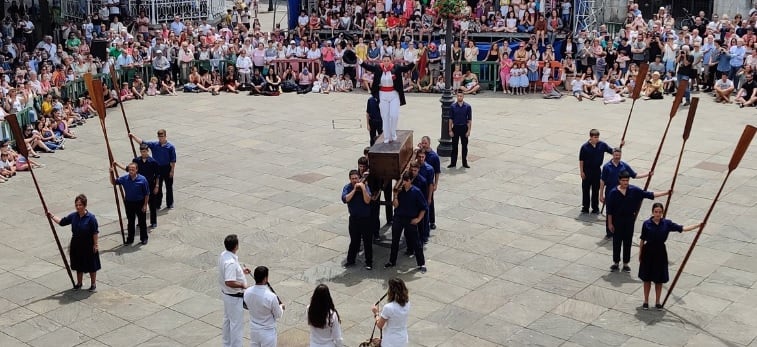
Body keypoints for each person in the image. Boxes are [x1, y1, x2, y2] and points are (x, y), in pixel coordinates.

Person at [638, 203, 701, 310]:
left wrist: (698, 225)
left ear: (662, 212)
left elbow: (682, 228)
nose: (658, 214)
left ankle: (658, 301)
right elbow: (642, 239)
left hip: (660, 253)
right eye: (656, 212)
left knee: (659, 280)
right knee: (647, 278)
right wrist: (640, 254)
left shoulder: (667, 224)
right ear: (652, 212)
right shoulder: (646, 224)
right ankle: (646, 301)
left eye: (660, 212)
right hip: (648, 252)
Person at [606, 171, 671, 273]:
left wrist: (666, 192)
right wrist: (610, 223)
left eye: (627, 180)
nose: (625, 183)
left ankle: (626, 263)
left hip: (629, 220)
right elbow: (609, 210)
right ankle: (616, 262)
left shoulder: (634, 190)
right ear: (619, 181)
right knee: (617, 241)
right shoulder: (613, 192)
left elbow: (649, 194)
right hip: (617, 220)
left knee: (627, 241)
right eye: (623, 181)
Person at [47, 194, 101, 292]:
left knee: (91, 265)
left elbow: (95, 232)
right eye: (76, 205)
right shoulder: (74, 216)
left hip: (88, 244)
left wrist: (95, 244)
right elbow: (62, 222)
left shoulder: (91, 218)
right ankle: (79, 283)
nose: (78, 207)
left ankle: (93, 284)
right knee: (78, 264)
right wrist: (52, 216)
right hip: (76, 244)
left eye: (80, 205)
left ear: (85, 205)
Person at [360, 55, 416, 143]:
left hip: (394, 94)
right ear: (382, 61)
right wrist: (361, 62)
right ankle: (386, 136)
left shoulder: (396, 68)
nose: (386, 62)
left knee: (394, 115)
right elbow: (369, 67)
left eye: (387, 60)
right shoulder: (378, 68)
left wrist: (414, 62)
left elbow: (406, 68)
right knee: (385, 116)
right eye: (384, 60)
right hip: (383, 94)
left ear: (390, 61)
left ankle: (393, 134)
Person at [599, 148, 651, 239]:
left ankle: (617, 230)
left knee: (618, 212)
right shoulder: (606, 166)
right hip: (610, 194)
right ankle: (609, 231)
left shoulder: (624, 166)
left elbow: (634, 175)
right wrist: (601, 194)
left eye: (619, 155)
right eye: (616, 155)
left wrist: (648, 174)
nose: (617, 157)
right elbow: (602, 181)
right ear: (612, 155)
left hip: (622, 193)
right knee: (610, 212)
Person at [386, 172, 427, 273]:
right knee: (395, 241)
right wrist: (395, 195)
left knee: (416, 242)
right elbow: (395, 205)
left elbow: (423, 208)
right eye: (403, 180)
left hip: (410, 219)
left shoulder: (416, 192)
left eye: (406, 180)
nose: (404, 182)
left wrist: (418, 219)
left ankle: (421, 263)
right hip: (399, 218)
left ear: (410, 180)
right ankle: (392, 261)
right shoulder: (400, 191)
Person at [114, 144, 160, 228]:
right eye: (142, 152)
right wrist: (117, 164)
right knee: (140, 205)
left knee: (152, 204)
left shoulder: (153, 162)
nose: (143, 153)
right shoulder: (136, 161)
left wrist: (157, 186)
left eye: (145, 151)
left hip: (150, 184)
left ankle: (153, 221)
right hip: (139, 185)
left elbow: (157, 175)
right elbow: (128, 169)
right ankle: (140, 221)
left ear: (147, 151)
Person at [129, 129, 177, 209]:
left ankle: (170, 203)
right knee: (158, 187)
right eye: (159, 136)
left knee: (169, 187)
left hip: (167, 168)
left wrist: (172, 170)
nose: (160, 138)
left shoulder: (170, 147)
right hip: (157, 168)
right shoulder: (154, 144)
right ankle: (158, 204)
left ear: (165, 136)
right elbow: (142, 142)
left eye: (162, 136)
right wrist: (133, 136)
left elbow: (173, 160)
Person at [218, 234, 251, 347]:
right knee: (236, 325)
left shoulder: (224, 255)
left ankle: (226, 344)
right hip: (233, 297)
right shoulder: (231, 263)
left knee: (227, 320)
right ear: (236, 246)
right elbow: (229, 281)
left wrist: (241, 271)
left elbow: (230, 271)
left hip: (227, 295)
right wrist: (243, 285)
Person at [244, 266, 285, 347]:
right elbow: (278, 315)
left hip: (254, 330)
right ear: (266, 278)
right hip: (267, 332)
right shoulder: (271, 296)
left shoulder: (247, 292)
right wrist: (281, 307)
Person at [579, 129, 618, 214]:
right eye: (595, 137)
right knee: (585, 189)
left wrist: (619, 146)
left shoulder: (602, 145)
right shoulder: (584, 147)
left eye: (597, 137)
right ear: (590, 137)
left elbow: (612, 151)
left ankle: (595, 207)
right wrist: (581, 172)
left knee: (596, 189)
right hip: (587, 170)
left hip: (597, 170)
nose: (597, 139)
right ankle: (585, 207)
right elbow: (581, 160)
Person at [110, 162, 150, 245]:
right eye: (130, 169)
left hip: (140, 203)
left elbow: (146, 193)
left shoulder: (142, 180)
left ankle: (144, 238)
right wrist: (111, 173)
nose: (131, 171)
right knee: (130, 222)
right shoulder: (125, 178)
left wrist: (145, 205)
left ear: (136, 170)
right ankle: (130, 239)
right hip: (129, 203)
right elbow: (114, 182)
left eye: (133, 169)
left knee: (142, 221)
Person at [341, 169, 373, 270]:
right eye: (352, 179)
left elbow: (367, 200)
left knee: (367, 242)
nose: (355, 180)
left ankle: (369, 262)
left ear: (359, 178)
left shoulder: (365, 186)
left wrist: (363, 188)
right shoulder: (348, 187)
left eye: (356, 178)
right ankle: (350, 260)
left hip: (366, 220)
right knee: (354, 241)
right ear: (350, 179)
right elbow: (345, 199)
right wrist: (354, 190)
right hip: (354, 219)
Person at [370, 278, 409, 347]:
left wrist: (376, 313)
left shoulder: (388, 307)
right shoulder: (407, 303)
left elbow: (379, 325)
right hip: (403, 337)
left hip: (390, 341)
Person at [447, 91, 472, 168]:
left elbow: (469, 120)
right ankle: (453, 162)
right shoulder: (453, 107)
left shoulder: (468, 107)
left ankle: (465, 163)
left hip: (464, 127)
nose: (459, 97)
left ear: (463, 97)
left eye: (461, 96)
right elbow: (450, 119)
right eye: (458, 96)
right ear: (456, 96)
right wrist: (450, 130)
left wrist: (469, 131)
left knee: (464, 146)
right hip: (456, 127)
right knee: (454, 146)